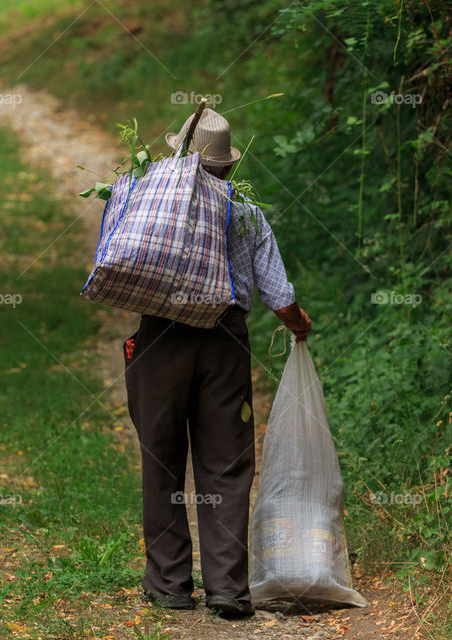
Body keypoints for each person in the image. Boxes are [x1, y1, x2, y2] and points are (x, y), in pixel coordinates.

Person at [123, 107, 311, 618]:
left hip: (160, 338)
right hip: (224, 343)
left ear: (179, 156)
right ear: (228, 165)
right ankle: (228, 588)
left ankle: (169, 584)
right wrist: (298, 324)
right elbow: (277, 293)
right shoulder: (245, 212)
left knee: (162, 459)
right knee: (226, 467)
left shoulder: (149, 198)